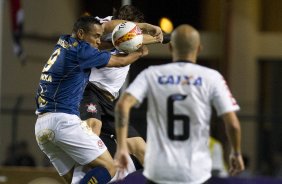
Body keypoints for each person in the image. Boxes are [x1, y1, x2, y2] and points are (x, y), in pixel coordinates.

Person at [34, 15, 158, 184]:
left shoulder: (65, 42)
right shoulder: (82, 52)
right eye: (96, 36)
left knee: (79, 179)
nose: (99, 41)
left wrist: (141, 29)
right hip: (63, 122)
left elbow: (108, 41)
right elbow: (120, 61)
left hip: (42, 127)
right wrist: (138, 52)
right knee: (110, 168)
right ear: (80, 33)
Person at [114, 24, 245, 184]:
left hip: (159, 171)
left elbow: (122, 105)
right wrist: (236, 152)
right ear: (199, 48)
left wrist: (121, 147)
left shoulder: (152, 73)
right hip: (195, 172)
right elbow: (233, 124)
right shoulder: (212, 77)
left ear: (170, 47)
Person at [80, 5, 163, 167]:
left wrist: (156, 37)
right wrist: (149, 31)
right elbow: (122, 33)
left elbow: (132, 37)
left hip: (109, 102)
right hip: (90, 91)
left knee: (142, 149)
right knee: (92, 131)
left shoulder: (132, 36)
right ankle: (79, 174)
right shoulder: (101, 26)